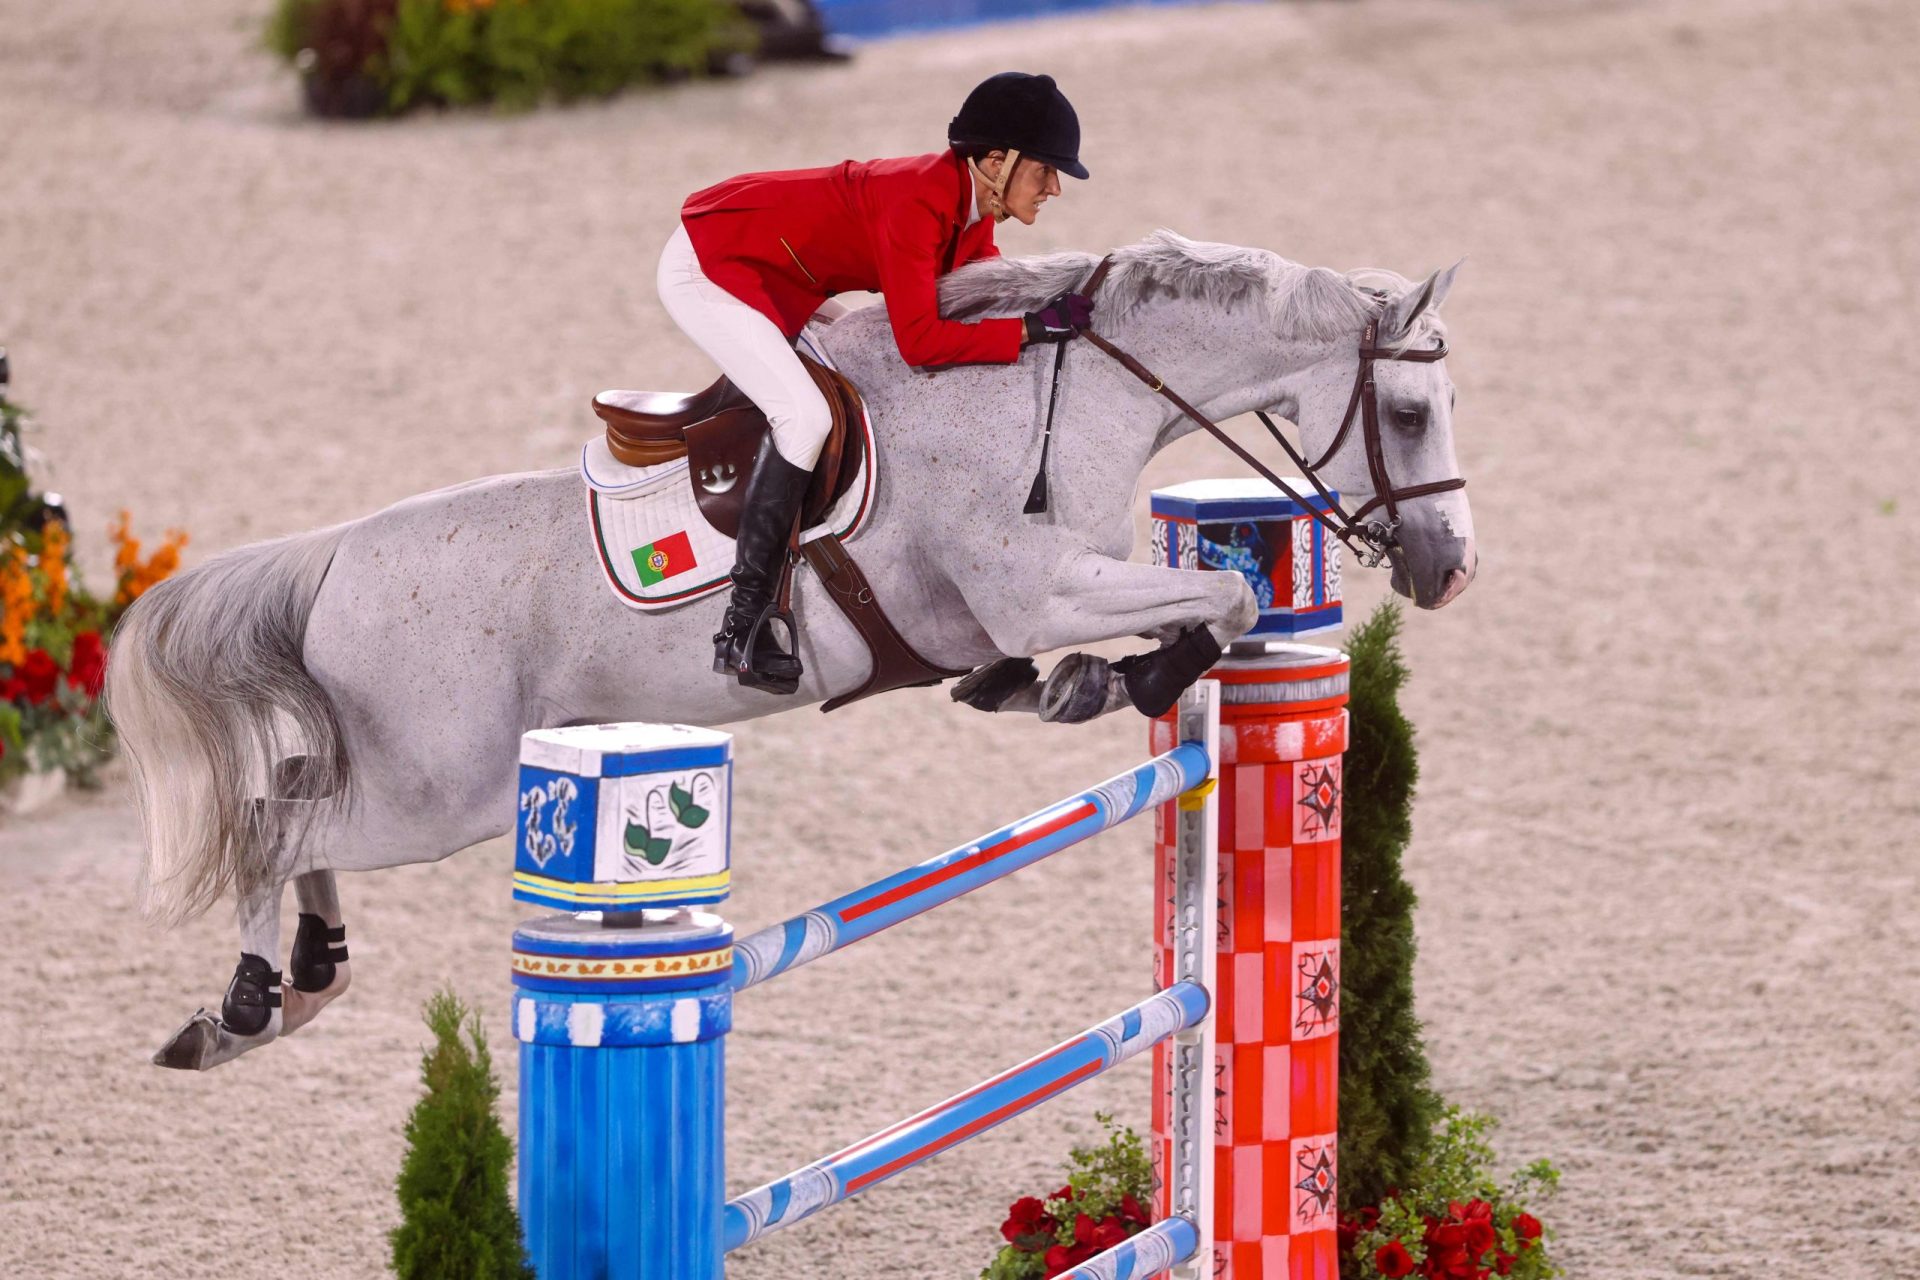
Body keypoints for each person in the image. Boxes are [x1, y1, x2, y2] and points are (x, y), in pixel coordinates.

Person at [660, 71, 1095, 693]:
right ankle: (746, 623)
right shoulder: (916, 199)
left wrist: (1051, 308)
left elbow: (979, 297)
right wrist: (1026, 331)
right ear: (996, 161)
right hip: (712, 266)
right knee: (804, 418)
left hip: (789, 278)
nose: (1054, 186)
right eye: (1046, 170)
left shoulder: (972, 207)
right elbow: (920, 343)